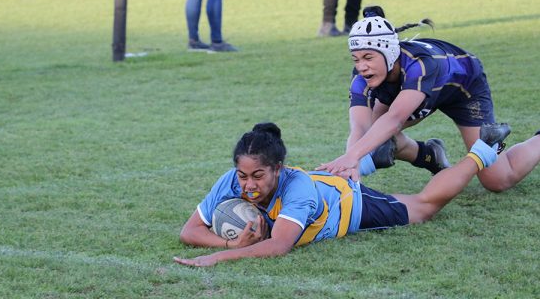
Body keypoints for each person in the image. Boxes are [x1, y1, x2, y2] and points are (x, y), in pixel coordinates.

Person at [174, 122, 537, 267]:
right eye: (242, 176)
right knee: (323, 181)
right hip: (321, 182)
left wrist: (218, 259)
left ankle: (484, 151)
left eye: (258, 176)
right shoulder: (231, 181)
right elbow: (189, 232)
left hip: (345, 202)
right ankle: (374, 159)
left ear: (278, 170)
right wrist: (227, 246)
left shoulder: (296, 188)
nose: (247, 186)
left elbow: (279, 245)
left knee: (424, 207)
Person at [317, 6, 539, 193]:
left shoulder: (420, 66)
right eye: (355, 58)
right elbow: (359, 128)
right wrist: (351, 164)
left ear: (390, 53)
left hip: (464, 88)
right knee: (374, 136)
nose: (361, 66)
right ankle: (429, 155)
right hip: (417, 91)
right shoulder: (362, 76)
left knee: (498, 179)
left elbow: (394, 119)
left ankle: (519, 144)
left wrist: (353, 156)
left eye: (368, 57)